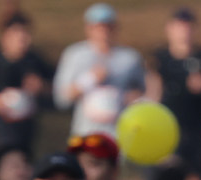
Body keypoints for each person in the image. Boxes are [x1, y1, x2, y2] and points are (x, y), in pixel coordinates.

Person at [150, 8, 201, 180]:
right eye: (179, 28)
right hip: (167, 133)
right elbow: (152, 94)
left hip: (195, 133)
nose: (184, 33)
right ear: (170, 30)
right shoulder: (160, 58)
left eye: (188, 28)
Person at [54, 3, 147, 141]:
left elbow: (144, 93)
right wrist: (89, 79)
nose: (103, 32)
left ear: (115, 28)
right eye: (98, 27)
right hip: (85, 134)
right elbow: (61, 98)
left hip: (120, 136)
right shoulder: (75, 55)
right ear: (88, 29)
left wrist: (132, 98)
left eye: (108, 27)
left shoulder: (129, 58)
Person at [0, 13, 51, 153]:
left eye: (26, 35)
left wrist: (42, 87)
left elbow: (54, 87)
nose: (23, 40)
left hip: (27, 129)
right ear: (4, 37)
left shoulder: (35, 60)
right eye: (17, 35)